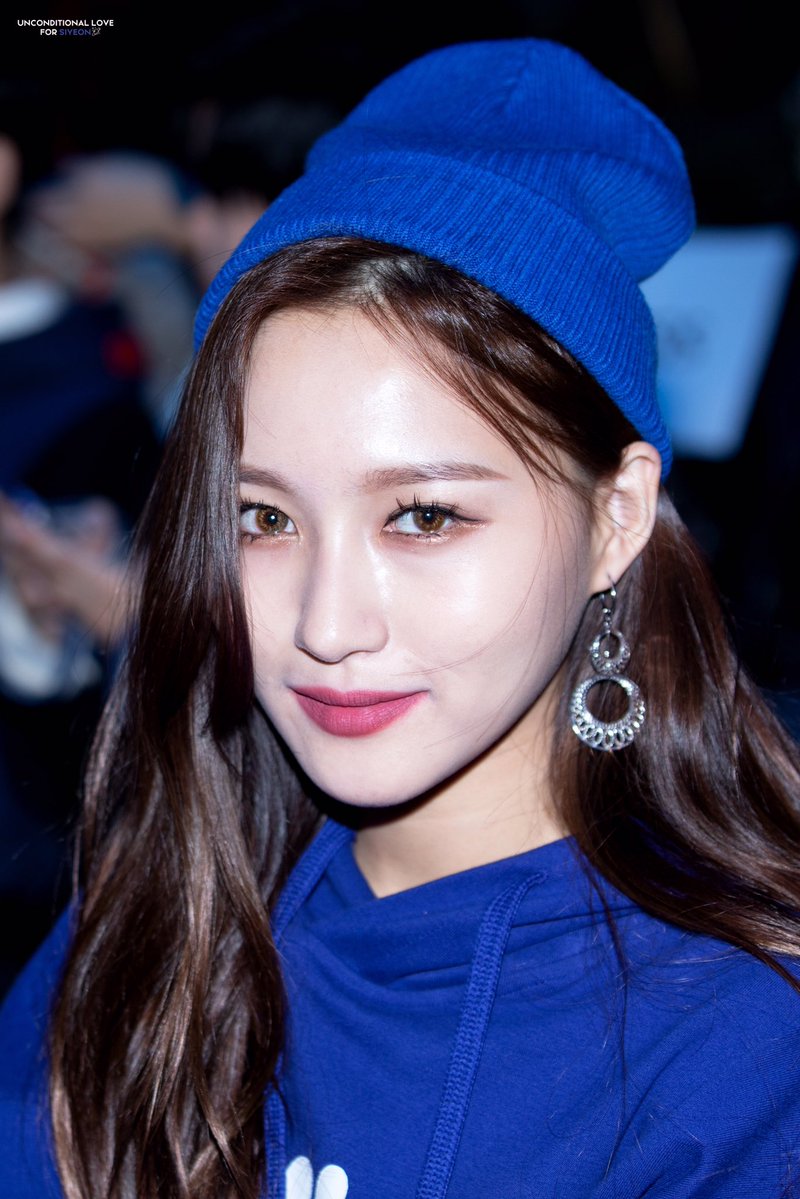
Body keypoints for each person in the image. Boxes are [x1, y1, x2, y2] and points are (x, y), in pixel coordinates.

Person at [1, 37, 800, 1199]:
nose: (326, 624)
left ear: (616, 517)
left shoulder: (738, 1040)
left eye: (423, 516)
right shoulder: (157, 904)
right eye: (263, 517)